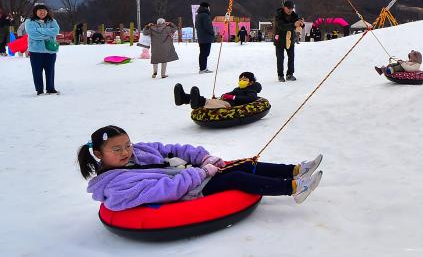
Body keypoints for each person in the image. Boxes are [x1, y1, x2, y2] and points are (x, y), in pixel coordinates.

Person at [77, 125, 323, 211]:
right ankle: (293, 189)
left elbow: (171, 148)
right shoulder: (116, 183)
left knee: (246, 163)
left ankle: (295, 170)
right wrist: (202, 173)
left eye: (127, 145)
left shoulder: (139, 151)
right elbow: (165, 190)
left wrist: (204, 158)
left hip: (195, 173)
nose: (126, 152)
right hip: (190, 189)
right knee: (237, 177)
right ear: (99, 154)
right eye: (117, 149)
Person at [175, 72, 262, 109]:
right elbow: (230, 93)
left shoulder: (252, 90)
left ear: (251, 82)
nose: (241, 81)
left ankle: (194, 101)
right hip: (226, 101)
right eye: (240, 79)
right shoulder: (237, 89)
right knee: (212, 101)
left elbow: (250, 98)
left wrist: (234, 97)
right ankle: (184, 98)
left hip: (231, 105)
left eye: (244, 80)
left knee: (210, 103)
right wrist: (224, 95)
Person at [25, 3, 60, 95]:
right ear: (35, 12)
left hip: (50, 50)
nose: (42, 12)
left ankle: (50, 89)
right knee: (37, 71)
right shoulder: (29, 22)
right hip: (36, 51)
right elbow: (33, 35)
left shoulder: (52, 21)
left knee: (50, 70)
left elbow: (56, 31)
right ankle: (39, 90)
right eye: (40, 10)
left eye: (44, 10)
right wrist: (49, 34)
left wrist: (39, 30)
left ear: (47, 12)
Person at [273, 0, 304, 82]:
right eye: (288, 8)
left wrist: (301, 23)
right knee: (280, 58)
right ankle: (280, 75)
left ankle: (290, 74)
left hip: (290, 40)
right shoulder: (278, 15)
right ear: (284, 7)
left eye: (291, 8)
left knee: (291, 57)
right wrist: (294, 25)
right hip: (279, 39)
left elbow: (299, 24)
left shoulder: (294, 15)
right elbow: (282, 26)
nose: (290, 10)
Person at [194, 2, 215, 73]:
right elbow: (208, 26)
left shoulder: (198, 15)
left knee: (202, 53)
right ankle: (203, 68)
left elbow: (196, 26)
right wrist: (212, 32)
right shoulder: (205, 15)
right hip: (206, 37)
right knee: (205, 53)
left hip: (201, 37)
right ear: (206, 7)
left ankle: (203, 67)